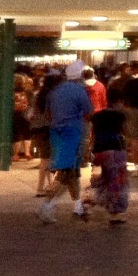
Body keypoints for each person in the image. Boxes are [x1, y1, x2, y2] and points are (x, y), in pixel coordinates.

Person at [39, 60, 93, 223]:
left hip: (56, 134)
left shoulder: (53, 92)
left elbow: (47, 116)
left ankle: (78, 206)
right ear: (80, 76)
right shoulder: (80, 91)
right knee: (67, 172)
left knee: (73, 173)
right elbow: (89, 113)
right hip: (74, 134)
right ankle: (47, 205)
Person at [85, 88, 130, 224]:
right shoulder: (120, 116)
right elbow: (125, 132)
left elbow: (92, 135)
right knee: (116, 182)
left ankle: (87, 204)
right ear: (120, 101)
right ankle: (114, 214)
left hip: (98, 152)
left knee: (98, 181)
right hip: (115, 152)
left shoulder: (97, 116)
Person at [31, 69, 62, 196]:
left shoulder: (37, 95)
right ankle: (42, 187)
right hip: (49, 129)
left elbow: (33, 112)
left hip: (37, 129)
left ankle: (46, 186)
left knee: (46, 158)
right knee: (48, 159)